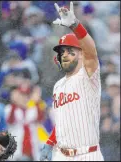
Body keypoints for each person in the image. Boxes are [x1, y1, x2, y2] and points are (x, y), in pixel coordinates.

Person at [40, 2, 104, 161]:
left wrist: (75, 25)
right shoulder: (58, 86)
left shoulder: (88, 75)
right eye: (62, 52)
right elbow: (63, 121)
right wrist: (49, 142)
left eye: (70, 51)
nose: (65, 55)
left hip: (87, 154)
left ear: (81, 54)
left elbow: (91, 50)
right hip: (61, 155)